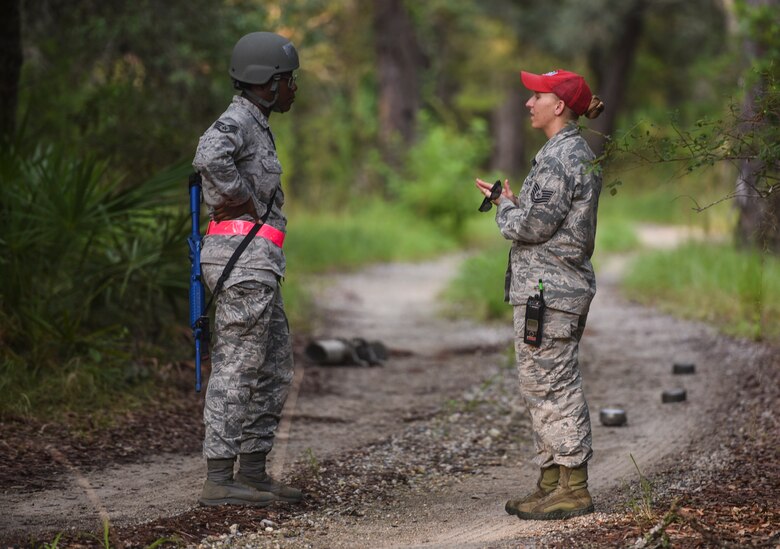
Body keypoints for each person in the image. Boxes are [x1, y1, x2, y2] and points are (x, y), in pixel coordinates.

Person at [475, 69, 605, 520]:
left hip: (551, 294)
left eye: (537, 96)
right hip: (544, 293)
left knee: (555, 385)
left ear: (560, 107)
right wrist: (511, 202)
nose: (529, 103)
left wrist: (505, 209)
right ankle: (551, 483)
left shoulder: (562, 158)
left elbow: (532, 227)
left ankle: (575, 486)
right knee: (539, 385)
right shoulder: (562, 154)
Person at [192, 31, 303, 507]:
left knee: (275, 366)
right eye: (287, 80)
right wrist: (245, 199)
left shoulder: (257, 121)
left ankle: (253, 472)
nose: (293, 88)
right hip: (241, 262)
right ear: (265, 83)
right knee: (237, 367)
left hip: (258, 262)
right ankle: (219, 479)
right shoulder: (237, 119)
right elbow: (207, 156)